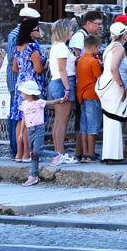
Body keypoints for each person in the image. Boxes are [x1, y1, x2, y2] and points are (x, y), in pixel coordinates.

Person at [5, 7, 40, 160]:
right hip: (27, 82)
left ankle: (19, 152)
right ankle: (21, 151)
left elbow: (14, 63)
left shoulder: (19, 42)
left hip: (19, 81)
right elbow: (13, 61)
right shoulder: (23, 41)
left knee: (19, 117)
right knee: (25, 118)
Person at [11, 18, 46, 163]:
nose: (38, 32)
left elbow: (15, 68)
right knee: (30, 119)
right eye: (36, 30)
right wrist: (45, 66)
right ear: (30, 32)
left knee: (21, 119)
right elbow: (38, 69)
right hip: (32, 84)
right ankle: (27, 153)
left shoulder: (18, 47)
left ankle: (19, 154)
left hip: (20, 84)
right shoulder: (32, 47)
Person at [97, 22, 127, 164]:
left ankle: (109, 154)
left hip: (108, 87)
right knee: (115, 120)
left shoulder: (110, 48)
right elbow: (113, 68)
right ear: (123, 35)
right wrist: (121, 86)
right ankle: (114, 156)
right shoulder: (119, 49)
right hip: (114, 87)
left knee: (110, 120)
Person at [18, 80, 64, 186]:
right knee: (33, 153)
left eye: (23, 92)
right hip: (30, 129)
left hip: (38, 128)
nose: (21, 94)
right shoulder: (24, 104)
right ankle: (33, 175)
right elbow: (24, 119)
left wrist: (61, 99)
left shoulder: (39, 102)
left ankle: (56, 155)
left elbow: (51, 102)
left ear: (29, 93)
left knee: (37, 151)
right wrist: (21, 133)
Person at [48, 19, 77, 162]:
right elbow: (62, 69)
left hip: (56, 81)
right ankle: (60, 153)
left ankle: (57, 152)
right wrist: (67, 88)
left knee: (58, 121)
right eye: (70, 30)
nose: (72, 32)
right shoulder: (61, 48)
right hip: (63, 82)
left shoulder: (56, 46)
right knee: (62, 121)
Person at [76, 35, 103, 163]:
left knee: (84, 125)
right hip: (93, 95)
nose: (99, 50)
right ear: (93, 47)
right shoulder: (93, 62)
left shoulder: (81, 60)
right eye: (98, 48)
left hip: (82, 95)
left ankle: (85, 153)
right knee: (93, 125)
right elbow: (99, 78)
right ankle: (91, 153)